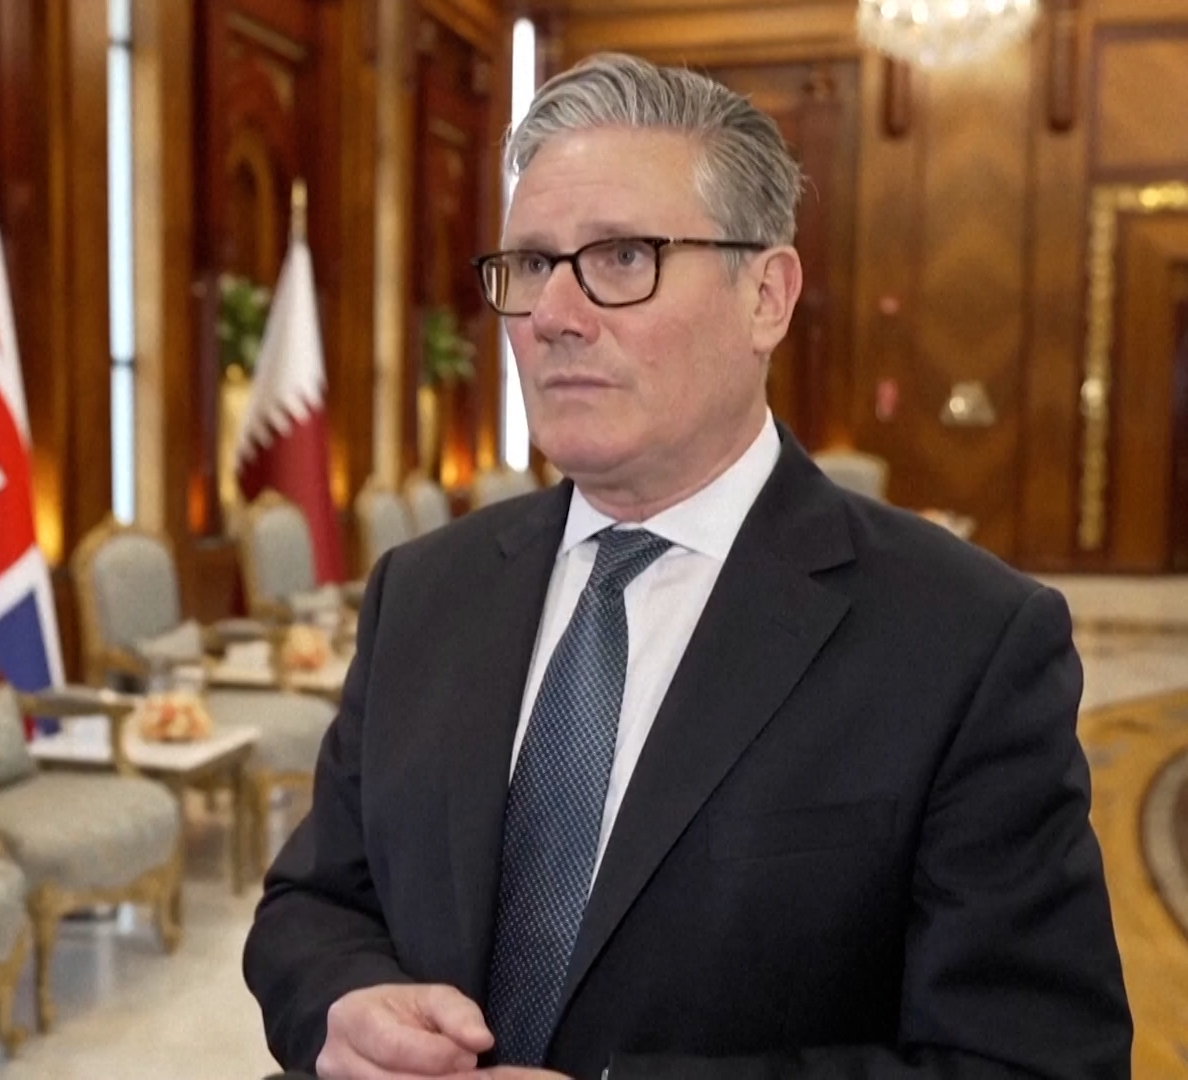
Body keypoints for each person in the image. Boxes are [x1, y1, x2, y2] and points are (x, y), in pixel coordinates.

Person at [244, 52, 1130, 1080]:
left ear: (768, 296)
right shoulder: (425, 591)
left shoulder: (966, 641)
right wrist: (344, 1004)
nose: (554, 315)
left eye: (623, 257)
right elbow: (315, 902)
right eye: (530, 265)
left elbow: (1031, 1062)